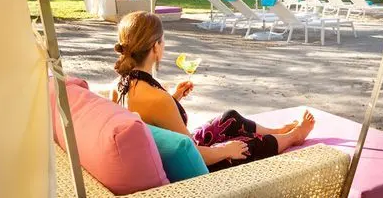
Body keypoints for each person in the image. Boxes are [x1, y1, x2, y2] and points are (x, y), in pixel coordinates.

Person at [112, 11, 315, 171]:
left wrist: (175, 97)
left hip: (173, 151)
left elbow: (153, 118)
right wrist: (226, 150)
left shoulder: (119, 86)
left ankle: (278, 131)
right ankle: (293, 136)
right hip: (193, 166)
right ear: (155, 47)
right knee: (247, 145)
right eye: (163, 41)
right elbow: (193, 153)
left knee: (230, 117)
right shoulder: (157, 99)